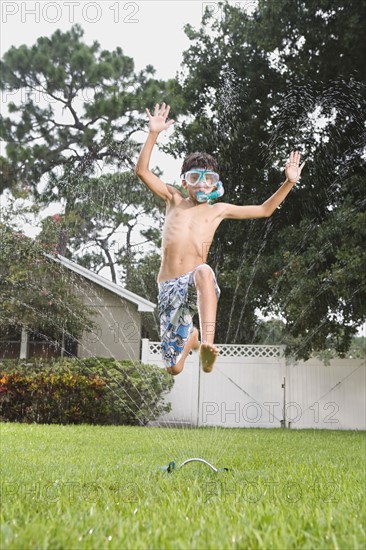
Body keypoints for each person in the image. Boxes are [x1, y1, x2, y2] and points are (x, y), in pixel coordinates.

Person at [135, 103, 305, 376]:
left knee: (203, 271)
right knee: (174, 368)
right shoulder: (173, 199)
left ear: (216, 184)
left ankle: (206, 345)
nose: (201, 184)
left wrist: (288, 182)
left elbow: (264, 210)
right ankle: (191, 337)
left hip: (193, 282)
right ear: (185, 181)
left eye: (208, 179)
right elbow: (142, 172)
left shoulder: (218, 210)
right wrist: (153, 133)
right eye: (194, 178)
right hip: (168, 288)